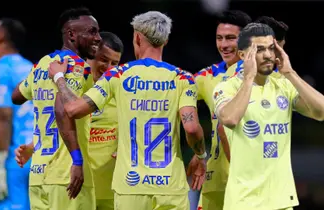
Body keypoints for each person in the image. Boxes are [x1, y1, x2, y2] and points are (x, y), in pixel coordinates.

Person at [48, 11, 207, 210]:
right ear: (165, 41)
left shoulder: (118, 74)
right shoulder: (182, 78)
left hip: (130, 188)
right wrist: (201, 156)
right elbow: (191, 129)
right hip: (170, 188)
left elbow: (73, 109)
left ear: (137, 37)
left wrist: (59, 79)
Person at [213, 23, 324, 210]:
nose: (268, 55)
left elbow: (321, 112)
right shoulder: (226, 88)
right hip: (244, 201)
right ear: (242, 55)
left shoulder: (283, 85)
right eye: (260, 49)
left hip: (281, 201)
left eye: (271, 49)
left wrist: (290, 73)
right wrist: (248, 79)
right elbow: (230, 120)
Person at [12, 7, 101, 210]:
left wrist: (35, 74)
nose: (98, 38)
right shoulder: (79, 67)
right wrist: (77, 161)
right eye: (92, 31)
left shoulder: (43, 64)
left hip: (38, 175)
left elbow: (16, 96)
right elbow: (64, 110)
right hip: (67, 175)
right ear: (71, 34)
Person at [193, 10, 251, 210]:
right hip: (216, 179)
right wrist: (197, 149)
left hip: (252, 180)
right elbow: (171, 104)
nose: (224, 45)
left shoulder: (264, 75)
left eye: (230, 38)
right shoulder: (206, 76)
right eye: (220, 38)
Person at [0, 18, 33, 210]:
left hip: (14, 160)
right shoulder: (31, 68)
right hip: (36, 154)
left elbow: (3, 116)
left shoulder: (0, 70)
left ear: (1, 37)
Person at [87, 31, 123, 210]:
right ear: (92, 54)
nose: (109, 68)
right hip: (79, 190)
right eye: (104, 60)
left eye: (114, 63)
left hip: (112, 193)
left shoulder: (122, 93)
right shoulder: (74, 88)